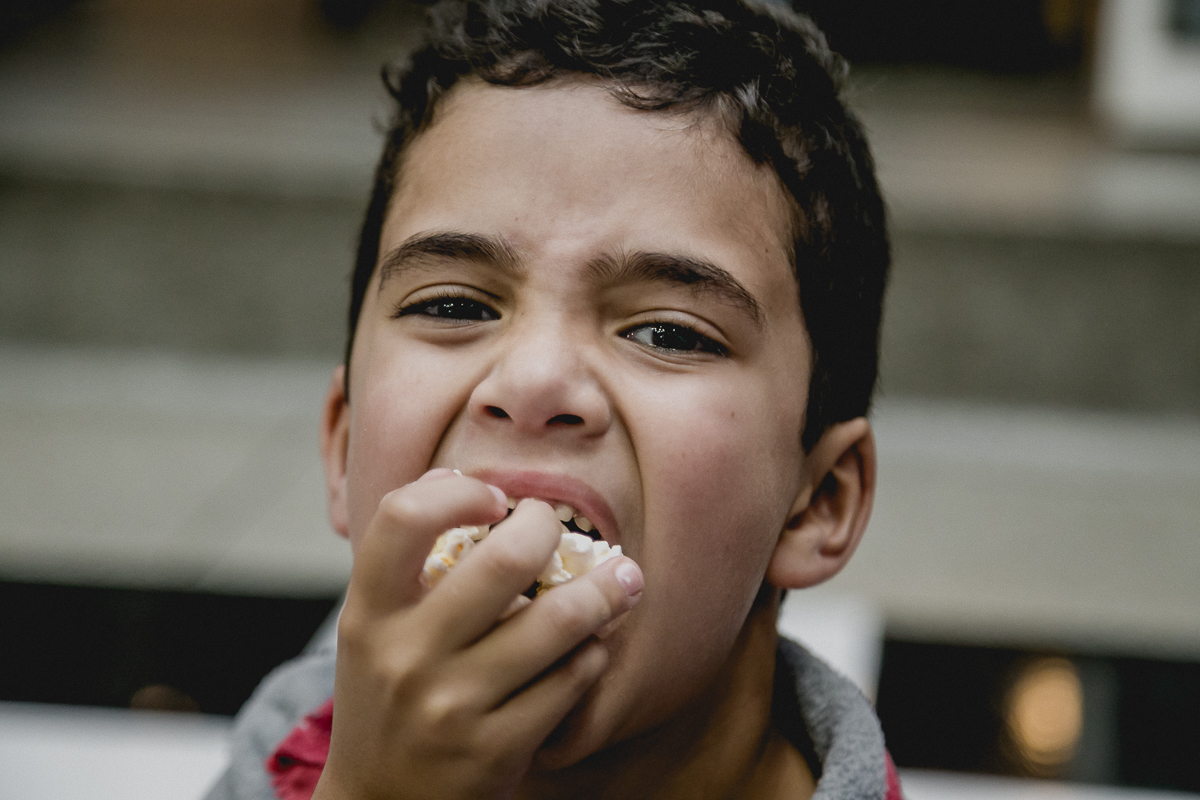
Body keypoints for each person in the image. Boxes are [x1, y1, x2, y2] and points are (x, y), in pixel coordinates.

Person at [206, 0, 896, 797]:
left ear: (818, 503)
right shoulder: (288, 752)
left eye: (668, 333)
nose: (533, 381)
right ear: (343, 446)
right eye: (453, 305)